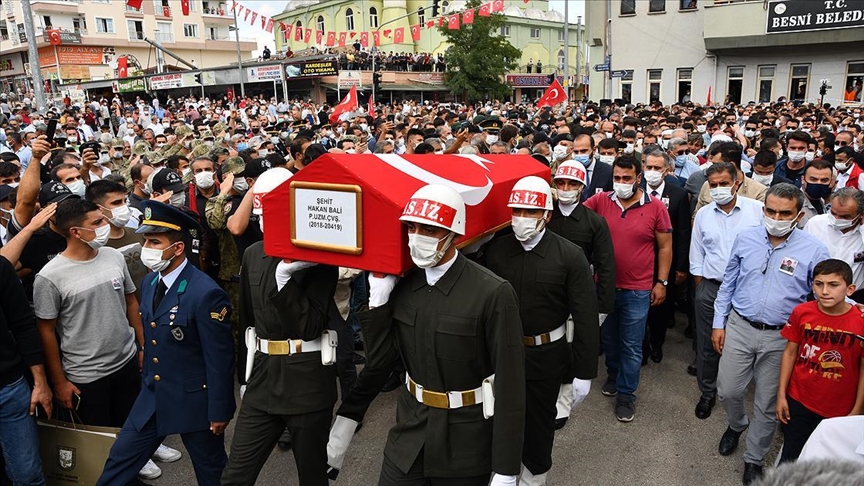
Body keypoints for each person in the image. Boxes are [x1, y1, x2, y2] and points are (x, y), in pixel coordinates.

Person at [341, 184, 525, 484]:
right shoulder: (404, 286)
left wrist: (506, 468)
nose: (416, 238)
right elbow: (381, 362)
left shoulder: (492, 292)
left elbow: (511, 383)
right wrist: (377, 302)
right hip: (411, 430)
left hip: (466, 439)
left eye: (429, 229)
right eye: (411, 227)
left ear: (454, 232)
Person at [97, 200, 235, 486]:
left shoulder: (205, 292)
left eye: (154, 241)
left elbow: (219, 358)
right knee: (118, 463)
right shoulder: (150, 282)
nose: (146, 247)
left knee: (211, 472)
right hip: (153, 396)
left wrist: (220, 409)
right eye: (146, 239)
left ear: (178, 248)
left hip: (193, 399)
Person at [221, 168, 339, 486]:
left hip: (308, 384)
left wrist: (284, 279)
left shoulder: (320, 258)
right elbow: (248, 321)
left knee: (312, 477)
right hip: (261, 380)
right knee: (235, 477)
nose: (264, 223)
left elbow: (311, 326)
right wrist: (244, 379)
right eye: (262, 215)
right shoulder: (253, 254)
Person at [712, 183, 831, 485]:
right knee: (728, 390)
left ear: (799, 215)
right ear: (763, 209)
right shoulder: (746, 238)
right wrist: (718, 322)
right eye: (771, 210)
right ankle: (737, 424)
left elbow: (821, 295)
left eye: (784, 213)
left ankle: (754, 458)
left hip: (782, 338)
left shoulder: (814, 250)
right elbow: (728, 283)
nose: (776, 217)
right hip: (739, 326)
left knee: (767, 403)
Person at [484, 176, 599, 485]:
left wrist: (584, 372)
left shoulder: (569, 255)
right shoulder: (497, 250)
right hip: (503, 354)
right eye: (517, 211)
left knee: (539, 427)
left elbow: (586, 316)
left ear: (547, 215)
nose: (521, 219)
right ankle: (504, 472)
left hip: (547, 357)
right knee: (501, 419)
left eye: (530, 212)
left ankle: (533, 479)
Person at [34, 198, 143, 428]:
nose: (106, 224)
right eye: (98, 222)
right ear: (75, 231)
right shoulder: (50, 277)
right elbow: (46, 330)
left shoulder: (113, 257)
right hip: (88, 374)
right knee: (101, 436)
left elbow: (131, 302)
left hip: (127, 360)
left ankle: (142, 456)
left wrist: (142, 346)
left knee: (135, 420)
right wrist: (59, 381)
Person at [584, 155, 672, 423]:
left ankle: (626, 395)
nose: (621, 183)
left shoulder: (656, 207)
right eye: (617, 178)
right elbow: (575, 216)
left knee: (632, 344)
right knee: (609, 338)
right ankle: (613, 373)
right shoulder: (600, 201)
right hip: (605, 288)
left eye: (626, 178)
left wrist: (662, 282)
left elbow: (665, 246)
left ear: (638, 178)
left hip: (638, 289)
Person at [689, 162, 764, 420]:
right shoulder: (703, 215)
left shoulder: (757, 211)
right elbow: (696, 254)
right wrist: (701, 285)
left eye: (724, 183)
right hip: (711, 287)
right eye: (714, 185)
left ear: (736, 183)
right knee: (708, 343)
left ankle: (735, 392)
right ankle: (707, 393)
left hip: (747, 289)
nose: (719, 189)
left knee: (741, 343)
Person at [545, 160, 615, 428]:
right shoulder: (546, 215)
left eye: (572, 184)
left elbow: (606, 265)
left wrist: (601, 307)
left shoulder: (594, 222)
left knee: (571, 349)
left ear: (582, 187)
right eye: (560, 183)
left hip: (576, 298)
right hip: (546, 295)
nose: (565, 189)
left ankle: (563, 404)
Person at [776, 259, 864, 463]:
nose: (825, 291)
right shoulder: (802, 312)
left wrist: (857, 410)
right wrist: (781, 395)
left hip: (840, 410)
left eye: (833, 285)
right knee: (790, 457)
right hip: (799, 400)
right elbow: (790, 353)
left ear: (850, 289)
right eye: (819, 284)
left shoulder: (860, 321)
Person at [0, 255, 52, 486]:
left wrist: (41, 383)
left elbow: (23, 325)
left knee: (27, 474)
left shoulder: (1, 267)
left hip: (9, 390)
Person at [640, 150, 690, 364]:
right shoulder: (634, 190)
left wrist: (680, 267)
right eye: (648, 167)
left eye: (657, 168)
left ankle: (657, 344)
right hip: (639, 261)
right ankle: (641, 346)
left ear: (667, 170)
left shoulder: (678, 194)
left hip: (665, 264)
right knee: (638, 309)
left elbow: (682, 233)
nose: (652, 172)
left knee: (660, 307)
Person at [803, 188, 864, 289]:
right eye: (833, 213)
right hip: (814, 291)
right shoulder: (815, 224)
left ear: (861, 215)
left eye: (845, 217)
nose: (837, 219)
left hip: (853, 297)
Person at [798, 158, 835, 228]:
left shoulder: (822, 202)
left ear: (831, 181)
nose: (818, 183)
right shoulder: (794, 204)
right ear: (803, 179)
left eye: (824, 180)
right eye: (813, 179)